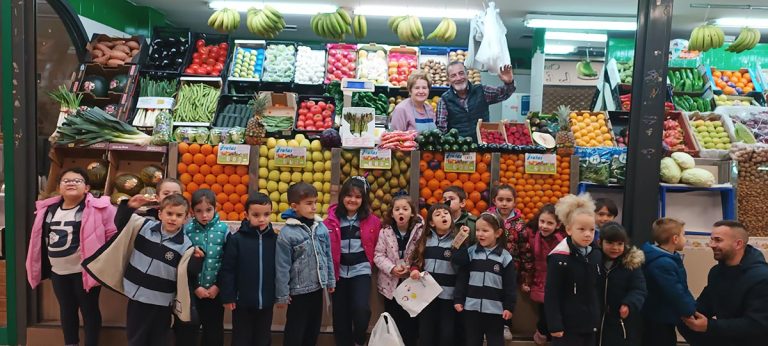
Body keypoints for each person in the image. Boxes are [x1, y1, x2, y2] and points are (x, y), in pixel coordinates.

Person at [84, 193, 203, 346]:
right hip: (137, 297)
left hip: (162, 302)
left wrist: (197, 259)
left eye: (179, 215)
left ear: (186, 219)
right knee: (135, 338)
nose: (173, 218)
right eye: (169, 213)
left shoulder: (185, 245)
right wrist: (130, 207)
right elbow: (120, 223)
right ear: (160, 213)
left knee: (158, 340)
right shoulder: (143, 226)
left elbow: (189, 273)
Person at [26, 168, 117, 346]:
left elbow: (112, 234)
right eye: (66, 180)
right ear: (59, 187)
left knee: (89, 310)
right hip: (59, 272)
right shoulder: (48, 210)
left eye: (77, 180)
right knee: (67, 310)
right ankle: (71, 343)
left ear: (87, 188)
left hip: (85, 272)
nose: (71, 183)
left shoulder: (98, 209)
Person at [679, 220, 768, 346]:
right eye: (711, 240)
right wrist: (684, 310)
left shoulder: (762, 278)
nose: (711, 245)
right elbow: (704, 305)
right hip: (727, 335)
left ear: (738, 244)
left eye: (718, 240)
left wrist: (709, 326)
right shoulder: (716, 272)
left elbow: (758, 325)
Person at [275, 182, 335, 346]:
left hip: (318, 288)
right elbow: (282, 266)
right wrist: (282, 294)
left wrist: (330, 280)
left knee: (312, 330)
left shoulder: (320, 227)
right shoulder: (287, 234)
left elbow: (327, 255)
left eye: (315, 202)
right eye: (309, 203)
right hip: (297, 293)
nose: (314, 207)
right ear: (294, 206)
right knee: (295, 331)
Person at [325, 177, 382, 346]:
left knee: (361, 309)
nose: (353, 200)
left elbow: (379, 244)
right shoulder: (331, 220)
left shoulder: (373, 221)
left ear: (363, 199)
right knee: (340, 313)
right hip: (338, 271)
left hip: (361, 270)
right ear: (342, 197)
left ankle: (359, 339)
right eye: (349, 195)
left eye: (358, 197)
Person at [219, 193, 278, 346]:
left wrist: (280, 294)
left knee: (263, 338)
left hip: (266, 301)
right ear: (246, 215)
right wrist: (228, 296)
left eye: (266, 214)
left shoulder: (275, 239)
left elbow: (280, 268)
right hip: (241, 302)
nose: (262, 219)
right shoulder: (236, 239)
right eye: (256, 215)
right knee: (241, 338)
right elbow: (228, 269)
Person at [545, 194, 602, 346]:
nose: (588, 234)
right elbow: (552, 294)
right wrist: (554, 324)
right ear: (569, 229)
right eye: (581, 229)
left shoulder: (596, 254)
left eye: (591, 229)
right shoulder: (559, 258)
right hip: (567, 326)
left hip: (590, 324)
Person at [453, 212, 517, 346]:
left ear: (498, 233)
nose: (480, 234)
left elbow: (510, 285)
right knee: (472, 341)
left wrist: (509, 307)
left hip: (495, 311)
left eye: (485, 230)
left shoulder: (505, 257)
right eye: (477, 230)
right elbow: (461, 276)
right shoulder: (470, 252)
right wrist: (458, 299)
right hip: (471, 309)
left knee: (496, 341)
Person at [409, 203, 468, 346]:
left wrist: (460, 241)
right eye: (438, 214)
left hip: (448, 296)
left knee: (446, 334)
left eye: (446, 213)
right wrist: (415, 269)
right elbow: (416, 260)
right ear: (431, 223)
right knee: (426, 332)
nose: (443, 216)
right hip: (427, 296)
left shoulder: (456, 241)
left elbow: (463, 263)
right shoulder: (425, 240)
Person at [177, 189, 229, 346]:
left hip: (215, 292)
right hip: (192, 292)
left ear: (216, 208)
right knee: (188, 330)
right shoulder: (187, 230)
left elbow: (227, 262)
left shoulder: (224, 230)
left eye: (208, 210)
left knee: (213, 332)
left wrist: (218, 286)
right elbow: (183, 264)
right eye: (199, 211)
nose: (204, 215)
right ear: (192, 211)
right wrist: (195, 287)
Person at [374, 195, 424, 346]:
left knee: (411, 323)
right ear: (391, 213)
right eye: (397, 209)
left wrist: (412, 268)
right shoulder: (385, 232)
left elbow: (421, 254)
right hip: (390, 285)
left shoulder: (419, 232)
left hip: (412, 284)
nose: (401, 212)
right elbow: (378, 255)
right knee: (393, 320)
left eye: (405, 209)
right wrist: (392, 268)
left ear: (412, 213)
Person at [640, 218, 696, 346]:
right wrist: (691, 310)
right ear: (675, 239)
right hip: (658, 318)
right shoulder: (662, 263)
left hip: (662, 316)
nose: (685, 239)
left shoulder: (667, 258)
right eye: (684, 235)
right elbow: (676, 291)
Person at [518, 204, 566, 345]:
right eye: (542, 221)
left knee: (555, 312)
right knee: (544, 310)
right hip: (539, 279)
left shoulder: (563, 239)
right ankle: (543, 333)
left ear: (558, 225)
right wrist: (526, 280)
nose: (544, 226)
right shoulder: (531, 236)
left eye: (550, 223)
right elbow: (527, 259)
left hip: (558, 281)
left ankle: (550, 335)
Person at [485, 184, 526, 340]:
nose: (504, 203)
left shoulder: (519, 224)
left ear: (514, 202)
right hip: (488, 264)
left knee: (507, 295)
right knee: (490, 292)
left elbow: (524, 248)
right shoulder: (487, 218)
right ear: (494, 200)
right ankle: (487, 324)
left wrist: (525, 274)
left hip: (510, 266)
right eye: (500, 199)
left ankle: (505, 324)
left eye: (508, 200)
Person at [436, 62, 516, 141]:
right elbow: (441, 129)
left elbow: (503, 93)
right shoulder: (444, 100)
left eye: (461, 73)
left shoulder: (481, 90)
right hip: (458, 148)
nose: (458, 78)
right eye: (453, 75)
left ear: (467, 74)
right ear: (448, 79)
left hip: (483, 146)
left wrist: (509, 82)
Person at [598, 222, 647, 346]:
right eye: (610, 243)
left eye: (620, 244)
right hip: (595, 319)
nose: (615, 248)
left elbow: (639, 289)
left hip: (621, 322)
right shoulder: (593, 260)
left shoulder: (631, 264)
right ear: (600, 242)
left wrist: (629, 303)